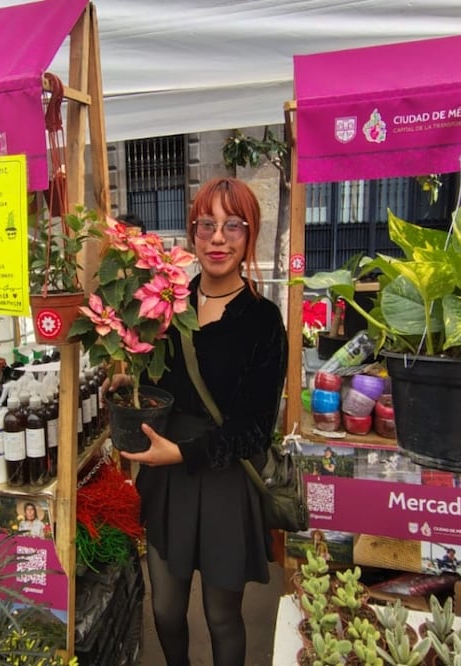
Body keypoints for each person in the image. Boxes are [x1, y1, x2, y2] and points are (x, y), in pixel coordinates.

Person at [115, 177, 287, 666]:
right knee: (166, 608)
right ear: (192, 234)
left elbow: (257, 425)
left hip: (226, 480)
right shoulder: (168, 304)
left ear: (249, 234)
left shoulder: (262, 320)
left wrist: (185, 453)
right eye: (206, 224)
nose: (218, 238)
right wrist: (127, 385)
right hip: (166, 479)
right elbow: (155, 380)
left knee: (221, 616)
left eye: (233, 225)